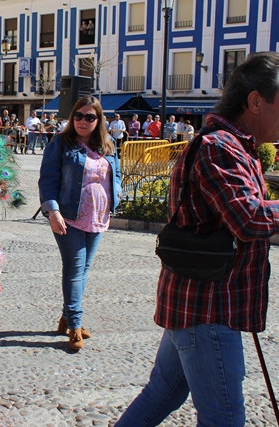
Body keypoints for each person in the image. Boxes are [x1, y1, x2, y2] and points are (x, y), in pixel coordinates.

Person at [115, 51, 279, 427]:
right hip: (209, 309)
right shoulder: (220, 147)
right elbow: (250, 218)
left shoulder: (237, 146)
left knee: (163, 394)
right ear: (255, 101)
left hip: (196, 302)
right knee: (224, 419)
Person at [38, 95, 121, 351]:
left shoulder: (108, 145)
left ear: (99, 120)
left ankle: (66, 316)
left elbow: (116, 174)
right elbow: (47, 181)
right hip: (69, 216)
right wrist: (53, 212)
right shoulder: (61, 144)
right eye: (78, 116)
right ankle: (75, 324)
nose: (83, 121)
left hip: (97, 217)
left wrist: (114, 196)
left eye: (89, 117)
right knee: (74, 269)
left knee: (83, 270)